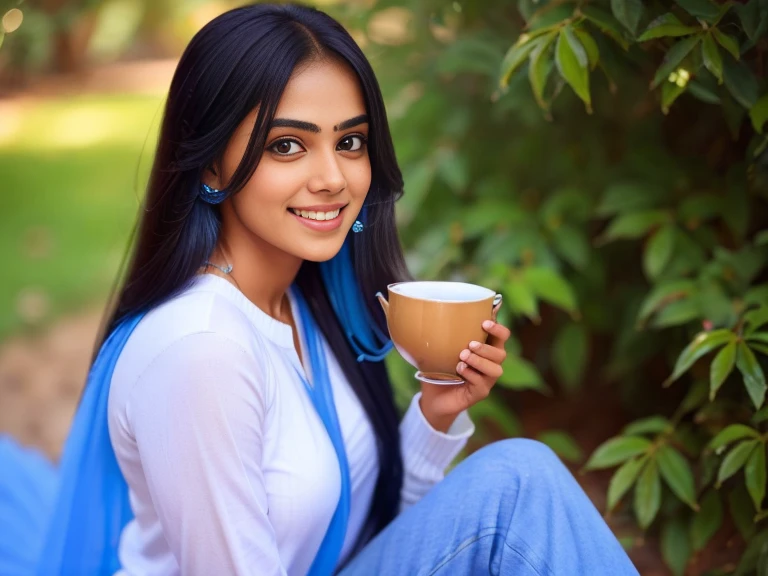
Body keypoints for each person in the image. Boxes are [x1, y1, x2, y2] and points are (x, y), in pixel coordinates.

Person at [0, 4, 640, 575]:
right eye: (288, 146)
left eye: (351, 141)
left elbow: (367, 535)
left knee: (518, 481)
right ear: (211, 164)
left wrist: (437, 412)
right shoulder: (200, 354)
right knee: (517, 484)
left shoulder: (303, 301)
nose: (333, 177)